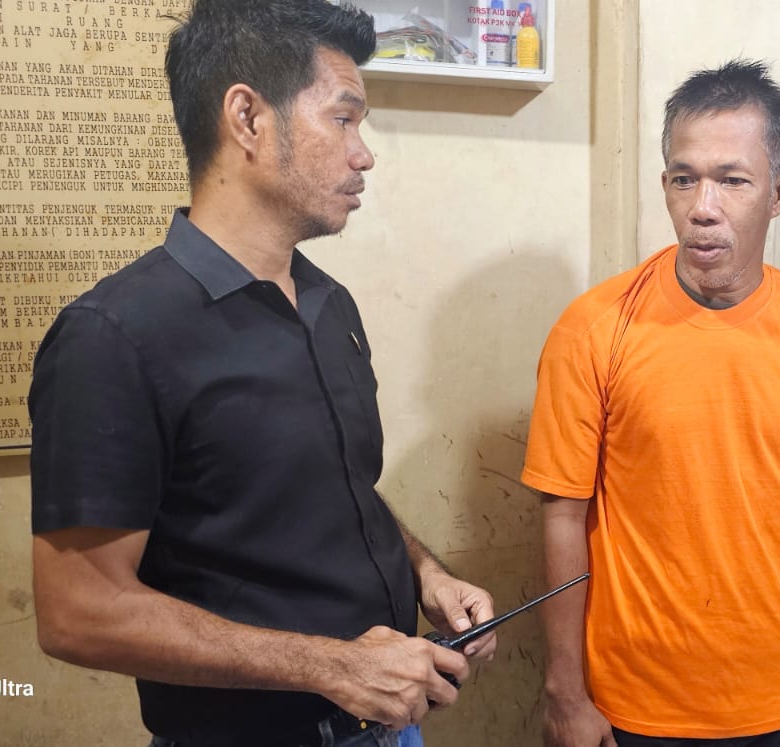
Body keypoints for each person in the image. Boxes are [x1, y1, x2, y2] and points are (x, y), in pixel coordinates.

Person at [28, 2, 496, 745]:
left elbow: (336, 490)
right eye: (343, 119)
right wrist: (331, 666)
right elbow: (78, 611)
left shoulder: (328, 303)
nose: (364, 155)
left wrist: (427, 574)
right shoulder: (114, 336)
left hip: (388, 726)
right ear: (247, 118)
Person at [524, 59, 780, 747]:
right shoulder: (593, 329)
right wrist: (565, 690)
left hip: (779, 694)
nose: (702, 207)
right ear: (665, 186)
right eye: (684, 178)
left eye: (732, 180)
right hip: (633, 699)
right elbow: (562, 513)